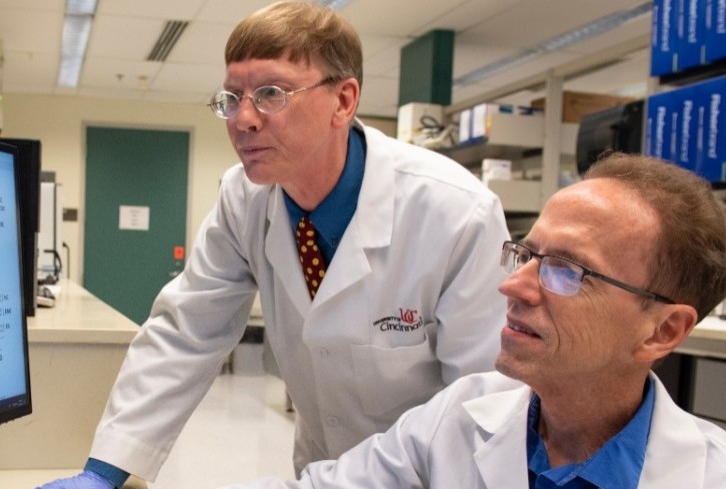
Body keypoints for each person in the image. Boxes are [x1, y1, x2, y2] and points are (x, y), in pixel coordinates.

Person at [38, 1, 510, 487]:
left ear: (343, 101)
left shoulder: (456, 214)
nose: (243, 119)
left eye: (270, 94)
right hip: (319, 467)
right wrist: (105, 471)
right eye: (231, 98)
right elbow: (186, 332)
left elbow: (481, 408)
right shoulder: (244, 197)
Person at [223, 153, 726, 488]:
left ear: (663, 330)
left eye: (567, 271)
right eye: (526, 254)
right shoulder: (460, 417)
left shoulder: (719, 480)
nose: (513, 285)